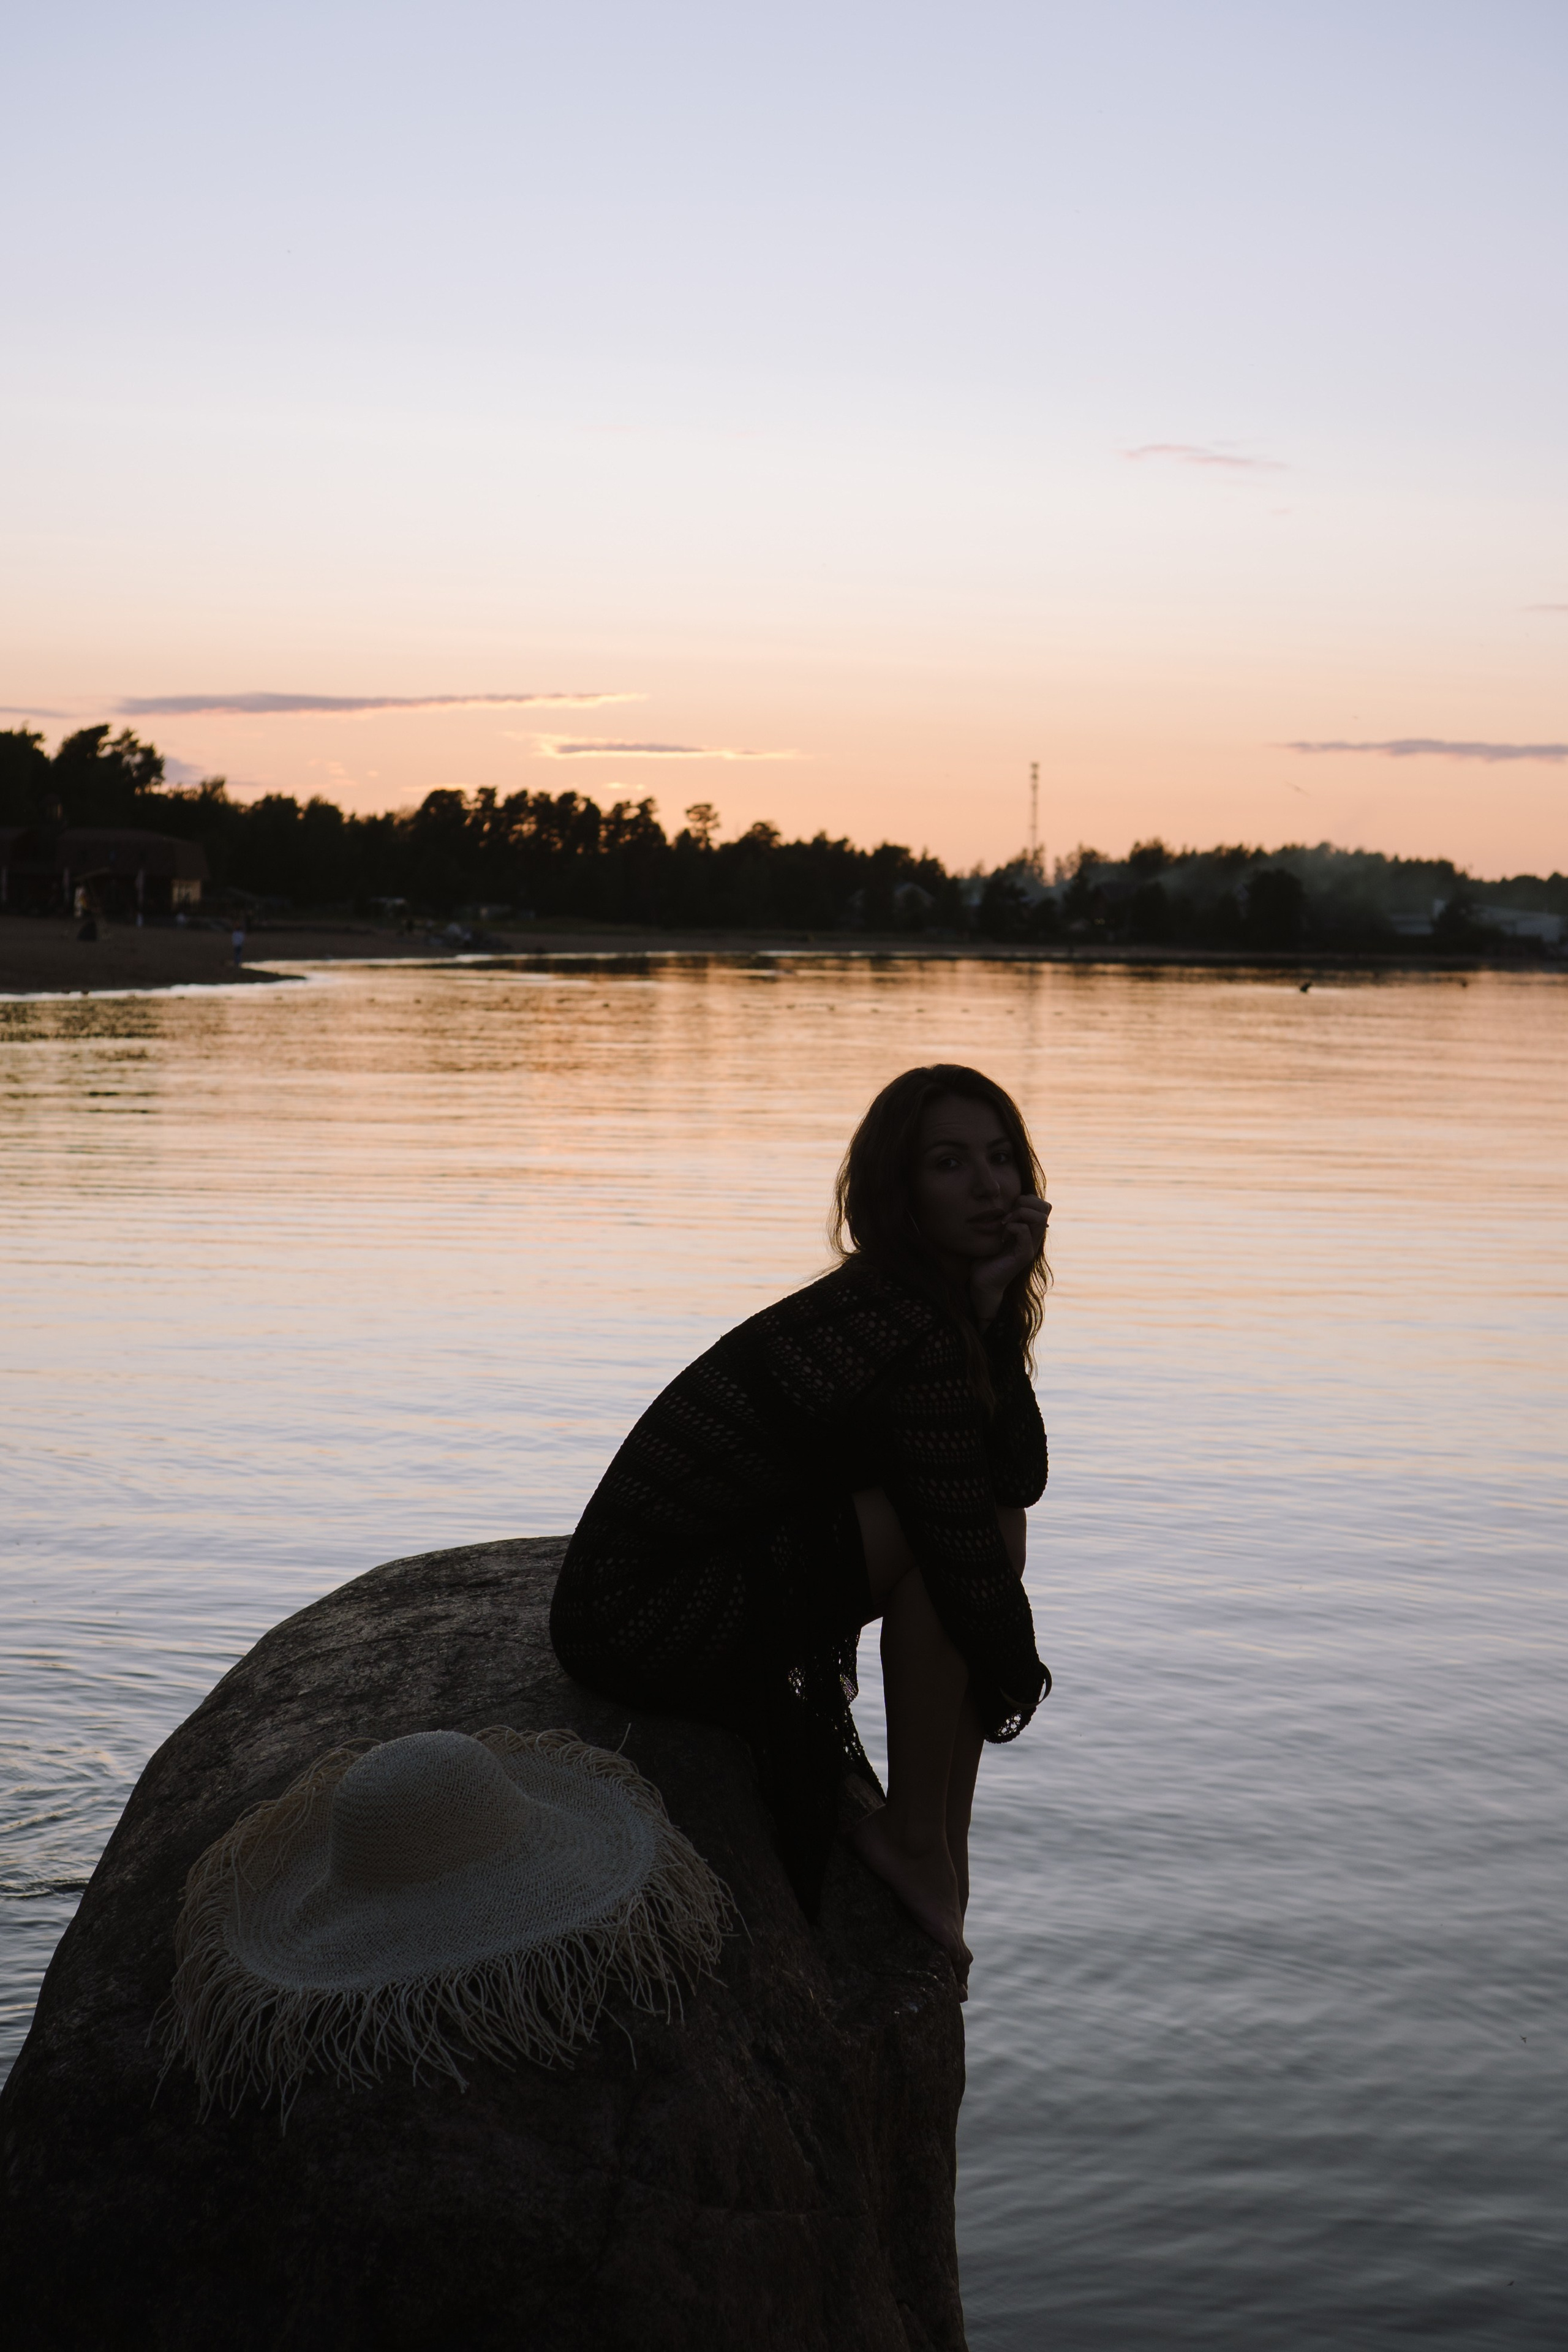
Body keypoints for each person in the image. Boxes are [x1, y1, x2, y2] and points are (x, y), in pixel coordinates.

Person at [550, 1063, 1051, 1986]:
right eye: (949, 1163)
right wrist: (1017, 1672)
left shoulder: (925, 1307)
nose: (988, 1186)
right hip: (644, 1610)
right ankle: (923, 1844)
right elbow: (980, 1531)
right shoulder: (897, 1320)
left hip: (698, 1573)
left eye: (1000, 1159)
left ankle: (934, 1848)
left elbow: (1017, 1479)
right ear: (899, 1190)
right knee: (963, 1548)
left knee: (979, 1532)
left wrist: (990, 1312)